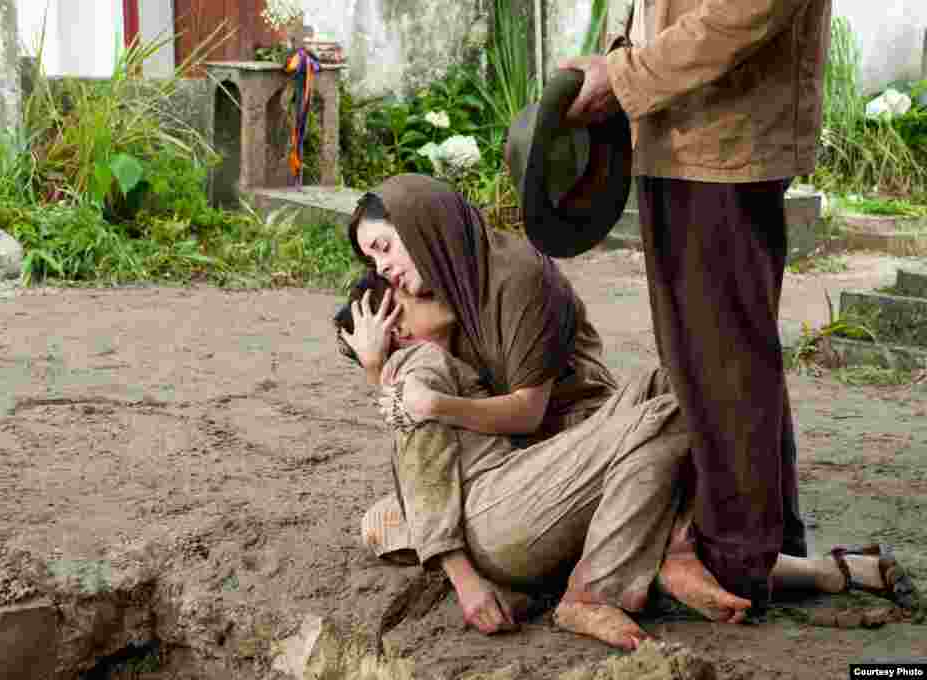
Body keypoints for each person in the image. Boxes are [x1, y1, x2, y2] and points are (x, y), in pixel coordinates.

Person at [334, 273, 918, 650]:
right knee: (673, 412)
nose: (421, 285)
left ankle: (709, 554)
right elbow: (422, 469)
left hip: (523, 501)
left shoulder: (451, 355)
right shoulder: (417, 369)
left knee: (667, 387)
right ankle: (598, 590)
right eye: (409, 295)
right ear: (394, 325)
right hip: (501, 517)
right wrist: (465, 584)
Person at [556, 0, 831, 609]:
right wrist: (617, 61)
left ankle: (734, 558)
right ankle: (763, 538)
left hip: (723, 138)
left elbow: (748, 8)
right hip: (684, 129)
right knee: (714, 352)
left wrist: (623, 77)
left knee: (722, 354)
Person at [345, 174, 620, 445]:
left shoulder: (520, 278)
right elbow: (412, 413)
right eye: (373, 260)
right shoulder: (445, 297)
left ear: (421, 227)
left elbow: (528, 414)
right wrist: (376, 366)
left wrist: (435, 405)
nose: (381, 267)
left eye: (384, 247)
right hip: (510, 448)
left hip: (582, 434)